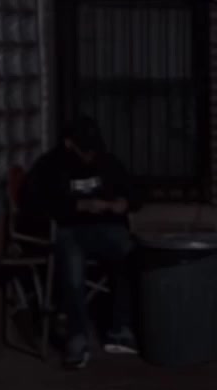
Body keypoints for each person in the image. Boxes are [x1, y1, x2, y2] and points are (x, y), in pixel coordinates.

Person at [20, 116, 138, 370]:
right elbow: (33, 205)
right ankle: (77, 338)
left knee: (130, 252)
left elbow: (134, 191)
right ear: (69, 144)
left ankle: (120, 329)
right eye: (85, 149)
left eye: (94, 148)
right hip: (69, 230)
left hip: (106, 229)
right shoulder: (49, 166)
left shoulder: (107, 162)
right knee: (72, 268)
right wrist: (78, 206)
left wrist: (124, 202)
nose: (90, 155)